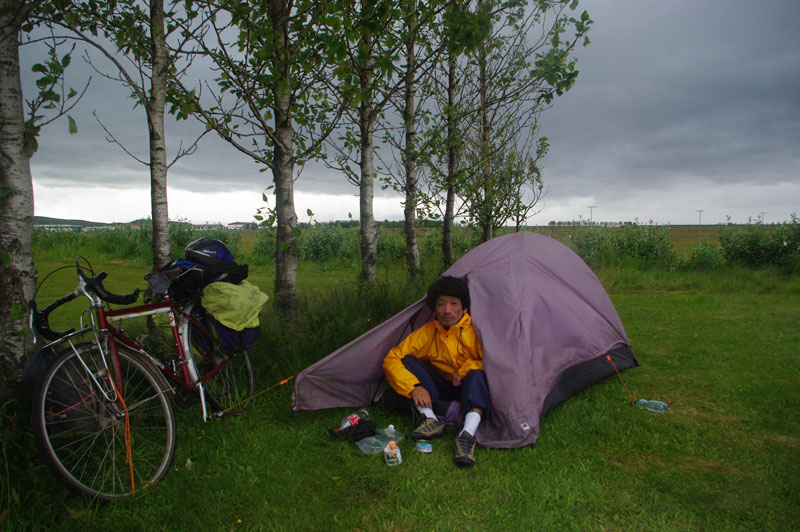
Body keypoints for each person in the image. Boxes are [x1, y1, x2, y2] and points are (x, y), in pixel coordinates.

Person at [382, 276, 490, 467]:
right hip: (443, 386)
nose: (447, 310)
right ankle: (431, 420)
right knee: (407, 360)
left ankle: (466, 435)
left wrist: (464, 370)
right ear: (434, 309)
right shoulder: (429, 331)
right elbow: (392, 358)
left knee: (477, 375)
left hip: (468, 386)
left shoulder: (476, 329)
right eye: (441, 304)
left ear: (464, 308)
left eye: (453, 303)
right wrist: (414, 387)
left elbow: (493, 361)